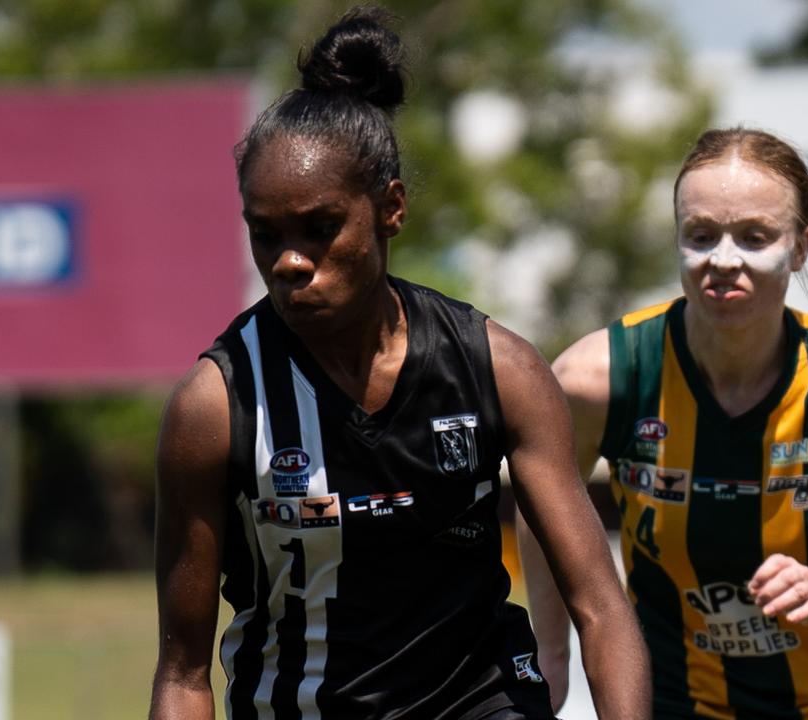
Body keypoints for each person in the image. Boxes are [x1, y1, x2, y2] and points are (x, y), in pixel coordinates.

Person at [148, 7, 648, 720]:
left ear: (391, 209)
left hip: (481, 701)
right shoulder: (214, 408)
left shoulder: (497, 368)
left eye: (322, 229)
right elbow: (182, 673)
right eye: (266, 235)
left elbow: (600, 608)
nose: (290, 262)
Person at [520, 127, 808, 718]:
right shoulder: (600, 376)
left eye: (754, 236)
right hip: (678, 704)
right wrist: (550, 651)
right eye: (701, 235)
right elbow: (540, 507)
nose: (723, 259)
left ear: (800, 245)